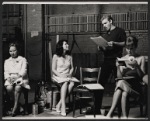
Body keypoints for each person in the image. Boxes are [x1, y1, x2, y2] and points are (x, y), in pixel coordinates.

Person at [90, 15, 126, 114]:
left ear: (110, 21)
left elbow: (124, 43)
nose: (104, 26)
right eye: (103, 24)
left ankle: (119, 109)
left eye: (105, 23)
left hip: (117, 61)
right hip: (107, 60)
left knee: (118, 84)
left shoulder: (120, 31)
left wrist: (114, 43)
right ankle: (97, 109)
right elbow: (105, 48)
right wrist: (100, 47)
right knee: (100, 84)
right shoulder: (105, 35)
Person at [106, 35, 146, 118]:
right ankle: (125, 117)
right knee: (123, 90)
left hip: (136, 86)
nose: (129, 51)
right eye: (127, 48)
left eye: (132, 48)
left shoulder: (141, 58)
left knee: (120, 84)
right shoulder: (123, 59)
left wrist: (137, 66)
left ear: (136, 47)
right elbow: (119, 76)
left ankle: (110, 113)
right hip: (125, 84)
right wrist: (118, 67)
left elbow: (142, 77)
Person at [52, 39, 79, 116]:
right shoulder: (55, 56)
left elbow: (72, 68)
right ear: (61, 46)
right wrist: (61, 76)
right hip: (57, 76)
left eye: (67, 44)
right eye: (65, 44)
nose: (67, 45)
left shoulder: (69, 56)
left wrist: (70, 74)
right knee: (66, 82)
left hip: (67, 76)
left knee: (72, 84)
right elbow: (53, 69)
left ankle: (59, 104)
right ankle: (63, 106)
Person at [4, 42, 30, 117]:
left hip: (21, 77)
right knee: (9, 88)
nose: (12, 53)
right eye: (10, 51)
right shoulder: (7, 61)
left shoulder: (22, 59)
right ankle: (19, 105)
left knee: (18, 87)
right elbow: (6, 72)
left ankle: (15, 108)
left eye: (14, 50)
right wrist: (8, 78)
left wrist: (17, 77)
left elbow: (24, 71)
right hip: (10, 78)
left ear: (18, 50)